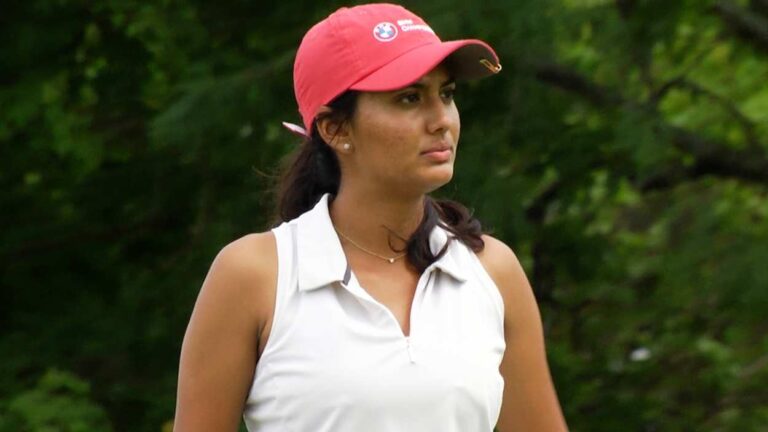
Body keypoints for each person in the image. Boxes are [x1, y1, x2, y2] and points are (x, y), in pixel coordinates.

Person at [173, 3, 568, 431]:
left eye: (447, 94)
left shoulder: (492, 271)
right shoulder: (256, 274)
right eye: (409, 98)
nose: (441, 121)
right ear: (335, 129)